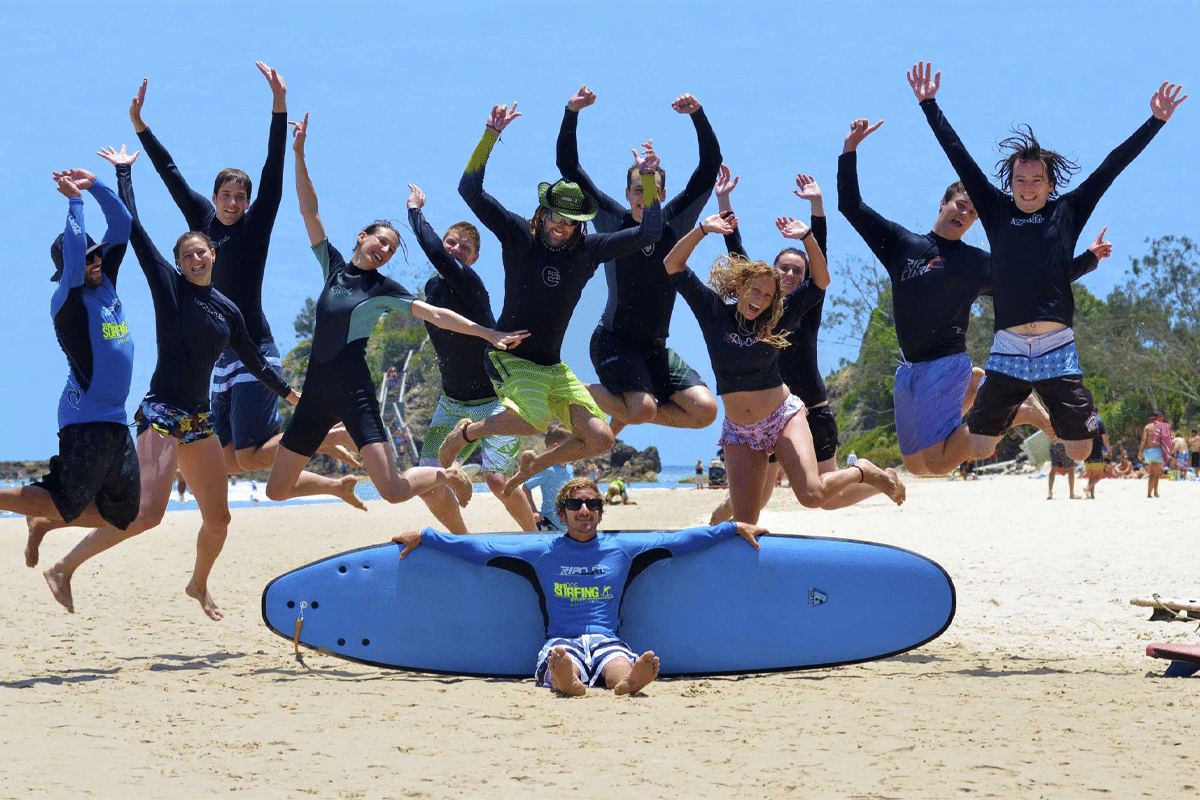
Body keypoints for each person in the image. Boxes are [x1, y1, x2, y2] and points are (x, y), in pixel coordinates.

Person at [42, 147, 302, 620]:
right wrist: (123, 174)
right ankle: (64, 567)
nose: (195, 258)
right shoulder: (169, 287)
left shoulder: (228, 309)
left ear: (213, 254)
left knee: (219, 521)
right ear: (179, 262)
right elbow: (134, 230)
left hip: (199, 419)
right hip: (161, 413)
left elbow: (253, 359)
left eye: (201, 251)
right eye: (186, 254)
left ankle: (197, 584)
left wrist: (290, 395)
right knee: (147, 516)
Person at [909, 62, 1186, 462]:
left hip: (1058, 347)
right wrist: (929, 104)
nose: (1027, 188)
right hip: (1008, 349)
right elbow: (959, 157)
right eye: (1020, 181)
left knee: (1079, 451)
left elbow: (1112, 166)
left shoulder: (1068, 210)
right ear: (1010, 184)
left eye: (1036, 181)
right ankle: (1019, 409)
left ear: (1050, 184)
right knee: (982, 447)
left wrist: (1155, 122)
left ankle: (1075, 419)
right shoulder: (996, 210)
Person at [266, 114, 526, 512]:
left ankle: (447, 473)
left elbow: (436, 315)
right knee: (276, 490)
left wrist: (487, 333)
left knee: (393, 490)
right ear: (362, 236)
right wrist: (299, 154)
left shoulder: (384, 289)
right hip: (315, 396)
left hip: (355, 394)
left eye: (390, 249)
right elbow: (308, 211)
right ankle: (338, 486)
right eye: (381, 242)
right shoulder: (333, 267)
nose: (384, 251)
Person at [838, 117, 1108, 475]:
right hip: (909, 368)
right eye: (960, 205)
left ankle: (1017, 409)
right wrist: (850, 150)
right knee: (916, 466)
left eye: (973, 212)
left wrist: (1088, 260)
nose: (965, 214)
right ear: (943, 202)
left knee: (937, 463)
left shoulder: (978, 264)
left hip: (946, 363)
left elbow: (1040, 283)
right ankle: (978, 388)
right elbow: (851, 206)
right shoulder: (902, 245)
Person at [128, 67, 357, 476]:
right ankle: (330, 473)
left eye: (240, 197)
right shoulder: (202, 218)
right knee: (231, 461)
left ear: (248, 203)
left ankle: (322, 436)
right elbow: (170, 172)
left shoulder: (255, 226)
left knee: (249, 456)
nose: (233, 203)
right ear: (214, 197)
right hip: (220, 354)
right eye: (226, 196)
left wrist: (279, 105)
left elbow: (272, 170)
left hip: (254, 346)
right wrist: (141, 126)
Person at [442, 102, 663, 495]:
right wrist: (490, 135)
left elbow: (648, 233)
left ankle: (531, 468)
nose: (560, 228)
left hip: (552, 366)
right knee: (535, 419)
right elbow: (469, 190)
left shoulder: (589, 250)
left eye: (570, 222)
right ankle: (470, 432)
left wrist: (648, 181)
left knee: (601, 439)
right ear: (542, 213)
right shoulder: (518, 235)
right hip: (510, 355)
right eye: (555, 218)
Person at [391, 478, 765, 696]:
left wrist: (732, 527)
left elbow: (679, 541)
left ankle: (627, 682)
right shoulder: (543, 550)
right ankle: (568, 681)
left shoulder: (622, 548)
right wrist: (428, 536)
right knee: (558, 659)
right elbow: (483, 549)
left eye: (591, 503)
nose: (584, 509)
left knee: (617, 663)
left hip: (605, 636)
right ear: (563, 511)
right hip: (562, 638)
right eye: (575, 504)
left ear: (601, 511)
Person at [665, 212, 905, 524]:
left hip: (782, 417)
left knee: (812, 495)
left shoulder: (778, 318)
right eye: (755, 291)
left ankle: (863, 470)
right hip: (739, 432)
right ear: (740, 287)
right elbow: (673, 264)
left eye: (768, 296)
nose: (760, 300)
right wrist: (701, 229)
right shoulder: (712, 311)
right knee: (745, 520)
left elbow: (821, 281)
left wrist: (808, 236)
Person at [708, 167, 885, 523]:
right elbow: (737, 255)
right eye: (783, 270)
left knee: (825, 498)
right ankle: (709, 538)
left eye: (797, 272)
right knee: (746, 504)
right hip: (762, 415)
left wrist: (816, 207)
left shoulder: (806, 306)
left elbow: (820, 257)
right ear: (770, 275)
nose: (790, 275)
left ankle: (878, 478)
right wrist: (724, 200)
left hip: (808, 412)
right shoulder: (755, 309)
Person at [556, 86, 720, 436]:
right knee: (643, 409)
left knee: (705, 411)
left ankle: (629, 409)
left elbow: (708, 168)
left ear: (661, 194)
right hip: (613, 341)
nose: (643, 197)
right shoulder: (612, 221)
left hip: (655, 347)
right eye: (637, 189)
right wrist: (572, 112)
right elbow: (568, 166)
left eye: (650, 189)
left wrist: (698, 115)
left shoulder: (676, 219)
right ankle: (578, 395)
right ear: (626, 194)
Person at [2, 168, 136, 571]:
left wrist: (95, 185)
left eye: (99, 254)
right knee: (66, 498)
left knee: (124, 512)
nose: (97, 260)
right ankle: (30, 507)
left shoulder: (106, 283)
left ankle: (41, 524)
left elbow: (123, 223)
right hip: (85, 416)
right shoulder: (67, 299)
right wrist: (75, 202)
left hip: (114, 416)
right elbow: (76, 253)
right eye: (89, 256)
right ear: (70, 267)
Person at [407, 184, 536, 533]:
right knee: (428, 479)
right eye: (451, 242)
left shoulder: (470, 283)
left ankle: (537, 536)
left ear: (474, 259)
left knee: (497, 479)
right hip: (452, 403)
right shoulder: (432, 290)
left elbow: (433, 251)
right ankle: (464, 540)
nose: (455, 250)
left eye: (465, 248)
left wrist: (415, 213)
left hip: (498, 399)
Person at [522, 427, 574, 532]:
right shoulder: (548, 469)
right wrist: (533, 511)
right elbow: (525, 487)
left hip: (567, 523)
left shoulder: (569, 468)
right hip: (549, 523)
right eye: (572, 447)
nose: (576, 450)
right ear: (556, 448)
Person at [1138, 411, 1173, 499]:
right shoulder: (1162, 427)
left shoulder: (1147, 427)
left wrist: (1140, 452)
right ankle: (1151, 493)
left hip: (1148, 451)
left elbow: (1143, 440)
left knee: (1154, 473)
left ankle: (1154, 492)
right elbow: (1167, 441)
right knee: (1155, 473)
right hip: (1158, 451)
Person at [1083, 416, 1110, 499]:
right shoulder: (1099, 423)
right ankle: (1087, 488)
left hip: (1087, 453)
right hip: (1096, 453)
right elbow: (1105, 438)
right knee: (1100, 474)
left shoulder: (1085, 423)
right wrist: (1109, 450)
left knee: (1092, 475)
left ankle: (1092, 495)